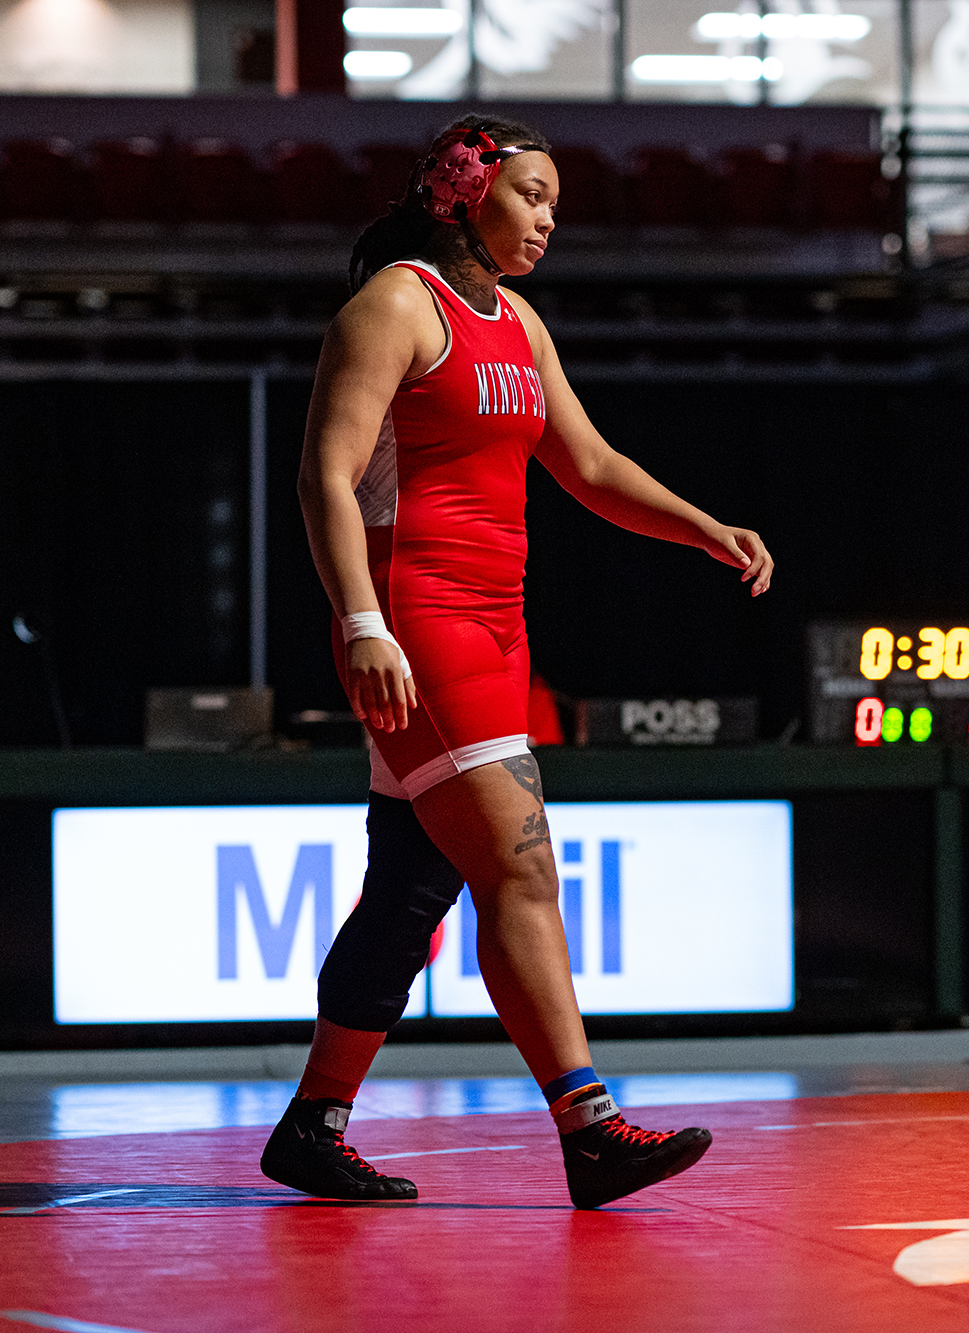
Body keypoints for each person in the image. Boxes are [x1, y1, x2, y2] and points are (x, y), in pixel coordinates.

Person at [263, 115, 774, 1210]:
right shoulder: (398, 303)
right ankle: (588, 1127)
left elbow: (586, 464)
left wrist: (703, 526)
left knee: (408, 891)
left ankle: (313, 1123)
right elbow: (323, 476)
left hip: (498, 628)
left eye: (553, 204)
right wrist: (360, 621)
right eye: (531, 196)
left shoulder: (515, 321)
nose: (546, 220)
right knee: (521, 870)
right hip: (418, 625)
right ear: (463, 193)